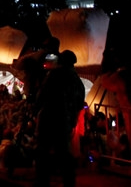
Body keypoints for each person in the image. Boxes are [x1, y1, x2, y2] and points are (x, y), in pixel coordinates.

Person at [33, 49, 87, 187]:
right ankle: (69, 180)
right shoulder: (77, 80)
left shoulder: (54, 75)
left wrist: (35, 109)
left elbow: (42, 95)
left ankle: (42, 180)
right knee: (63, 151)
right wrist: (73, 115)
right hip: (66, 120)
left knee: (43, 149)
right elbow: (80, 102)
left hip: (49, 117)